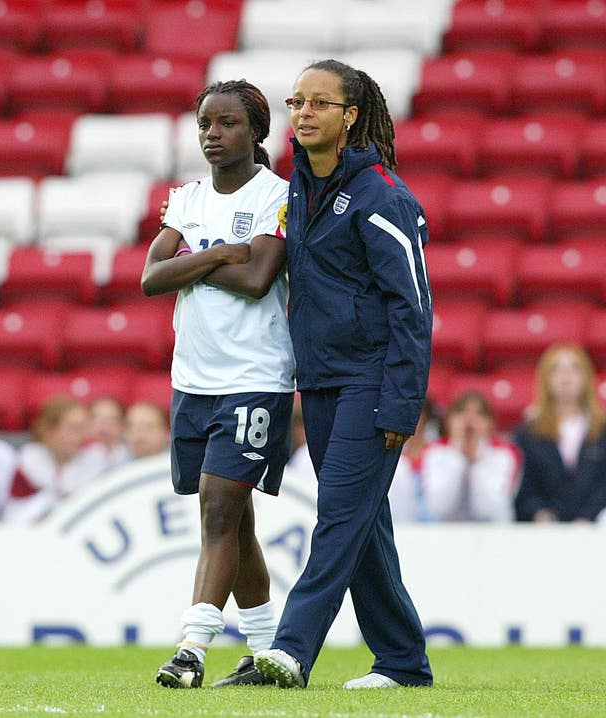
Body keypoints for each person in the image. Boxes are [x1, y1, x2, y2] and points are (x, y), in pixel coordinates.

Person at [253, 59, 434, 690]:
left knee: (339, 517)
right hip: (322, 383)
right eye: (296, 101)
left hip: (372, 381)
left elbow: (414, 306)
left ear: (350, 116)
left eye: (319, 103)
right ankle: (404, 662)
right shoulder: (296, 187)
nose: (302, 112)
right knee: (363, 524)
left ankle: (291, 651)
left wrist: (400, 406)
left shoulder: (384, 195)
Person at [141, 79, 295, 689]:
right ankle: (265, 652)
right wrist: (220, 254)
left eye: (227, 123)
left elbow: (259, 276)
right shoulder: (186, 197)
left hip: (255, 376)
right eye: (205, 123)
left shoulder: (277, 196)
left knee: (219, 508)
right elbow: (152, 278)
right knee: (236, 520)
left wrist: (200, 262)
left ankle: (191, 648)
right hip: (193, 380)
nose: (212, 133)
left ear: (257, 132)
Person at [514, 343, 606, 523]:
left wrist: (588, 517)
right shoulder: (528, 433)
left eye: (574, 369)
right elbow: (524, 486)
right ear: (545, 378)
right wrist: (539, 513)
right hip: (545, 530)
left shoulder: (602, 430)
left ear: (586, 376)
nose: (565, 377)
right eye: (556, 370)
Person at [2, 396, 106, 525]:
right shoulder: (30, 459)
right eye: (74, 428)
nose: (81, 435)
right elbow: (13, 516)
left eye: (83, 428)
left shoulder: (94, 458)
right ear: (50, 431)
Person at [421, 391, 522, 522]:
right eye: (461, 412)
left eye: (479, 414)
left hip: (494, 534)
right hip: (446, 534)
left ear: (490, 423)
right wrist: (459, 457)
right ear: (449, 421)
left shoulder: (504, 456)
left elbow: (488, 508)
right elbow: (438, 506)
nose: (469, 421)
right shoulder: (435, 453)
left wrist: (476, 459)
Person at [388, 396, 441, 523]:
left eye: (416, 414)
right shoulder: (390, 457)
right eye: (404, 413)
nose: (410, 420)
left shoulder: (440, 454)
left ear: (427, 419)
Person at [84, 396, 131, 471]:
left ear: (121, 425)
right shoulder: (77, 455)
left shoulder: (132, 454)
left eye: (110, 420)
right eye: (98, 419)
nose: (103, 427)